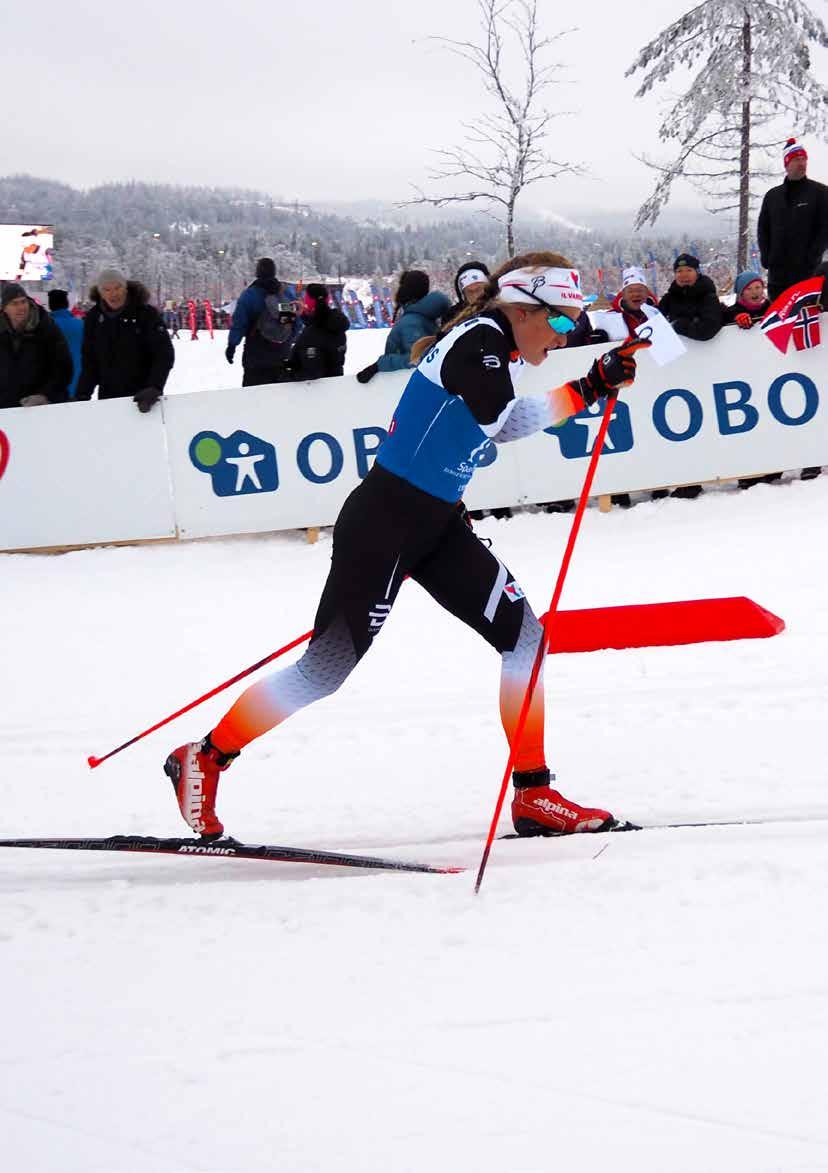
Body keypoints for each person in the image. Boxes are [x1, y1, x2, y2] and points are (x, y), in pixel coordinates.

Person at [163, 252, 651, 841]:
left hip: (436, 524)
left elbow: (499, 423)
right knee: (324, 670)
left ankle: (533, 793)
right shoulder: (481, 343)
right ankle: (205, 757)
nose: (569, 334)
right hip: (386, 522)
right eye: (565, 322)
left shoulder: (497, 344)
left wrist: (590, 384)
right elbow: (502, 423)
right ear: (527, 310)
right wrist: (589, 386)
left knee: (525, 637)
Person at [75, 269, 174, 412]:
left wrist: (154, 386)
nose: (113, 294)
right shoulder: (94, 318)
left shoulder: (146, 314)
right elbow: (90, 361)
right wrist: (82, 394)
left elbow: (164, 354)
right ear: (100, 293)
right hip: (109, 398)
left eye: (118, 288)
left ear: (126, 288)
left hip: (144, 397)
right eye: (107, 290)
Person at [757, 138, 828, 302]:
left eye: (804, 159)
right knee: (780, 322)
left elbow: (825, 229)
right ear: (787, 164)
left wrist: (812, 256)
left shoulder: (820, 193)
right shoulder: (773, 196)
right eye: (796, 159)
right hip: (778, 276)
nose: (802, 163)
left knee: (808, 321)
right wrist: (767, 257)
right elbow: (763, 229)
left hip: (809, 272)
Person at [356, 270, 450, 382]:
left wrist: (379, 365)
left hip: (408, 385)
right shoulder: (424, 316)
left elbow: (418, 359)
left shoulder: (412, 321)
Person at [225, 258, 302, 387]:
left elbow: (239, 323)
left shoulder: (249, 295)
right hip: (283, 354)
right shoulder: (286, 293)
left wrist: (232, 345)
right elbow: (296, 322)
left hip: (256, 356)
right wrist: (288, 340)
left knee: (254, 400)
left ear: (257, 273)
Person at [0, 282, 72, 409]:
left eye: (23, 302)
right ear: (4, 308)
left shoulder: (46, 327)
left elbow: (64, 367)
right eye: (14, 303)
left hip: (40, 407)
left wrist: (45, 395)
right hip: (6, 408)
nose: (21, 307)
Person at [290, 284, 350, 380]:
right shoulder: (336, 323)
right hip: (335, 382)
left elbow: (311, 372)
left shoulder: (311, 334)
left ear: (309, 303)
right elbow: (320, 325)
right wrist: (304, 315)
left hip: (314, 390)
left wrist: (283, 374)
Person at [658, 254, 722, 341]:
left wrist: (678, 325)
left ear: (697, 273)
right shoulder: (669, 297)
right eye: (679, 271)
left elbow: (708, 330)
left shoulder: (708, 296)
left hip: (704, 351)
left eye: (689, 270)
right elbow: (654, 319)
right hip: (676, 351)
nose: (684, 275)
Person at [48, 289, 84, 398]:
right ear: (67, 303)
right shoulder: (81, 325)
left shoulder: (45, 326)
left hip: (52, 386)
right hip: (79, 384)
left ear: (50, 305)